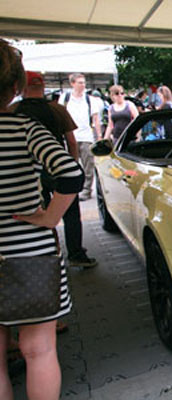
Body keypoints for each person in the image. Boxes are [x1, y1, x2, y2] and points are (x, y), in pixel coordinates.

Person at [0, 39, 84, 400]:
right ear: (16, 87)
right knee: (39, 351)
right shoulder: (23, 129)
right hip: (28, 251)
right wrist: (50, 217)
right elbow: (70, 172)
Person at [12, 71, 97, 269]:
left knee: (36, 214)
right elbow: (71, 142)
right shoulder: (58, 109)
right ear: (42, 88)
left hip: (28, 175)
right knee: (71, 214)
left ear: (22, 88)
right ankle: (76, 253)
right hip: (58, 168)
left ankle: (49, 254)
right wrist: (73, 164)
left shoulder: (13, 110)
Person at [58, 73, 102, 202]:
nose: (83, 85)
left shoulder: (90, 100)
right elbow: (61, 116)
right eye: (80, 82)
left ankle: (86, 190)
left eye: (84, 83)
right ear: (72, 84)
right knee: (72, 165)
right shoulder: (65, 98)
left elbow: (95, 119)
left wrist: (98, 136)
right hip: (70, 136)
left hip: (86, 136)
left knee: (88, 165)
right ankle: (74, 189)